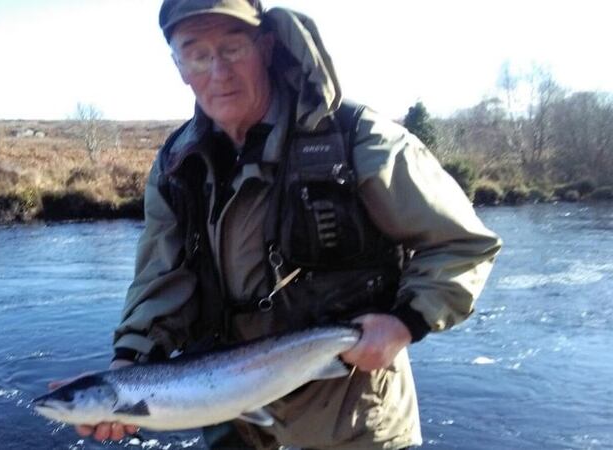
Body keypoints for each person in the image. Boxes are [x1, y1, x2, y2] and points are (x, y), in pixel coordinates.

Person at [62, 1, 502, 448]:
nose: (217, 70)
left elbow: (462, 244)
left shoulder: (361, 141)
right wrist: (129, 363)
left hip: (353, 420)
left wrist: (406, 322)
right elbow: (162, 278)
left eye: (233, 48)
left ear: (267, 47)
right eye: (196, 54)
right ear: (179, 67)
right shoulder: (177, 166)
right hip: (232, 417)